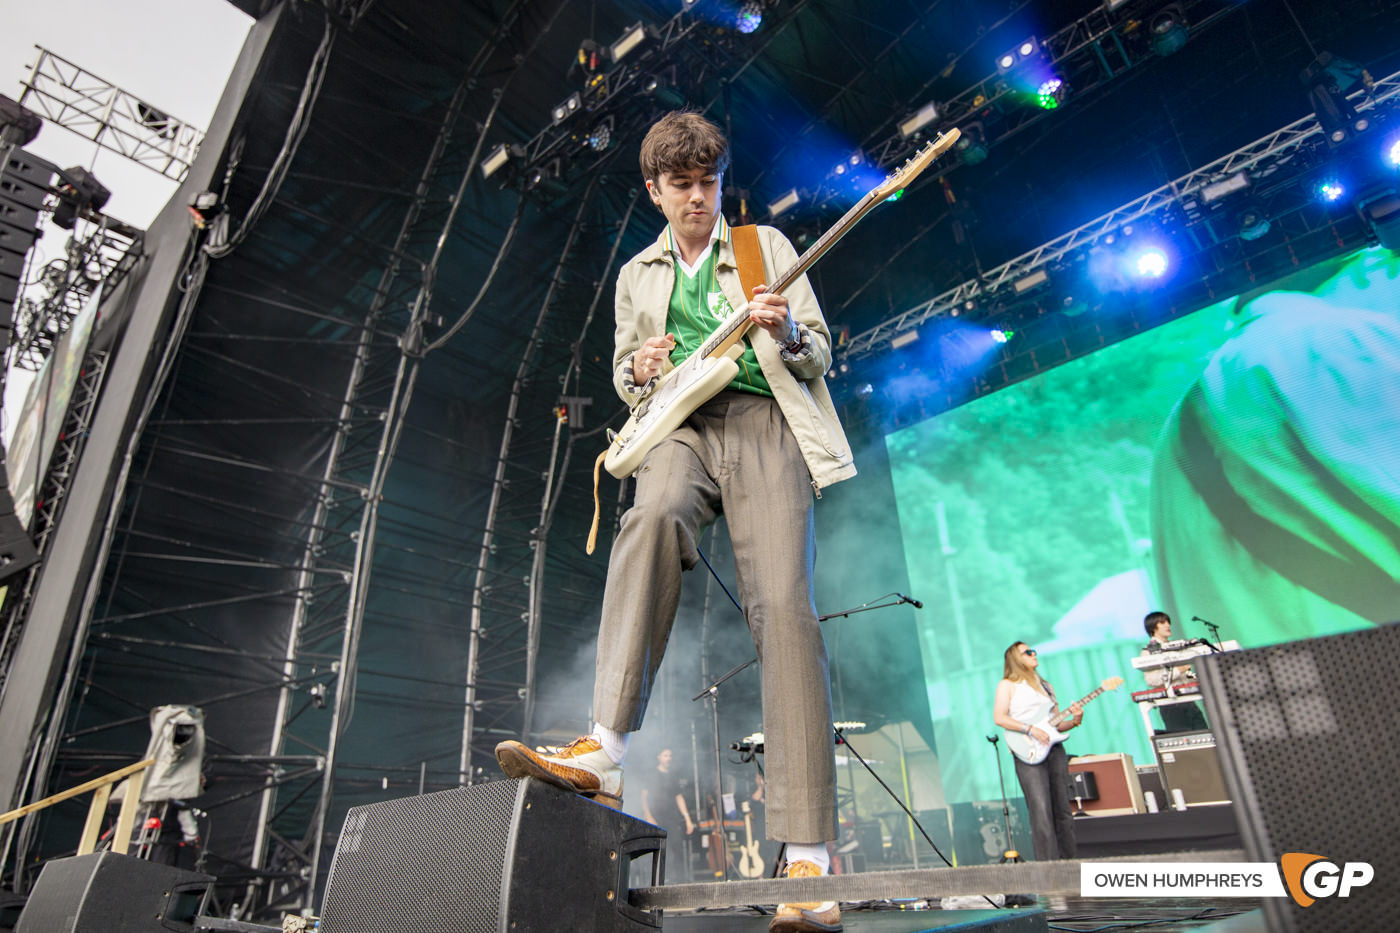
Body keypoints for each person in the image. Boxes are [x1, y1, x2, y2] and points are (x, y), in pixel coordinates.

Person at [495, 110, 855, 933]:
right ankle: (605, 751)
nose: (698, 199)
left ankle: (808, 854)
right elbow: (627, 376)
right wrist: (639, 366)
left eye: (709, 183)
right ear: (655, 191)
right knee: (651, 513)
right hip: (681, 429)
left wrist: (787, 327)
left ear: (722, 183)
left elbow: (821, 352)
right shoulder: (637, 276)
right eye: (681, 186)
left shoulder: (764, 248)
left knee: (784, 614)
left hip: (765, 426)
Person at [991, 642, 1082, 861]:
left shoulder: (1046, 686)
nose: (1033, 654)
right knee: (1041, 810)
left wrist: (1076, 720)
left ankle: (1070, 864)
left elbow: (1056, 724)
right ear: (1016, 659)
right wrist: (1029, 729)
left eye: (1033, 651)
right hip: (1027, 749)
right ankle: (1049, 870)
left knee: (1063, 810)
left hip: (1054, 749)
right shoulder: (1008, 685)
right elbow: (1000, 717)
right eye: (1027, 652)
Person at [1139, 611, 1207, 732]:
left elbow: (1187, 675)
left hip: (1189, 702)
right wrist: (1179, 670)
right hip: (1170, 704)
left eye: (1168, 622)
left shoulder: (1176, 647)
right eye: (1162, 622)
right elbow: (1151, 679)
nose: (1167, 625)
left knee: (1206, 736)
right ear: (1153, 626)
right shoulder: (1148, 652)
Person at [640, 748, 695, 875]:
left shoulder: (673, 776)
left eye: (670, 755)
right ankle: (658, 878)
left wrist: (688, 819)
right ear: (659, 757)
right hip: (656, 817)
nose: (668, 758)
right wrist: (648, 816)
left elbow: (679, 797)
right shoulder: (652, 774)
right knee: (658, 849)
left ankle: (678, 879)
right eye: (665, 755)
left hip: (672, 817)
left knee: (677, 848)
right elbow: (643, 796)